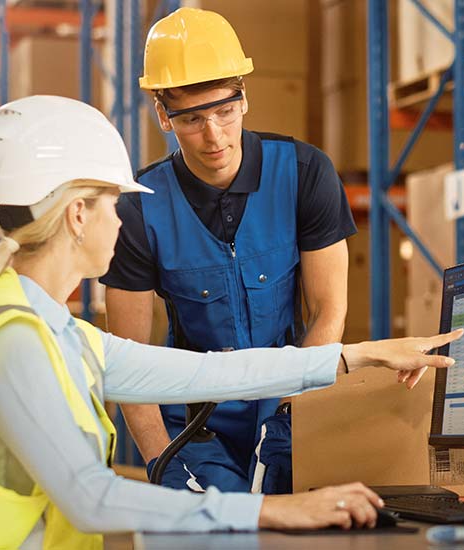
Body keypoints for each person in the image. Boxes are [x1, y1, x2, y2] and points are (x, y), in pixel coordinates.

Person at [0, 95, 462, 548]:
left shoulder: (49, 329)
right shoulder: (13, 337)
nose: (124, 221)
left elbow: (202, 375)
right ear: (77, 215)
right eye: (116, 204)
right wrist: (275, 509)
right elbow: (91, 498)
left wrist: (357, 355)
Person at [99, 7, 358, 493]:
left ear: (244, 97)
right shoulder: (138, 210)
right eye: (193, 119)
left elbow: (329, 309)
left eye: (224, 111)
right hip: (194, 425)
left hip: (288, 406)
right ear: (162, 115)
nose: (214, 135)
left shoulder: (305, 173)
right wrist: (160, 459)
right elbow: (126, 359)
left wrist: (292, 409)